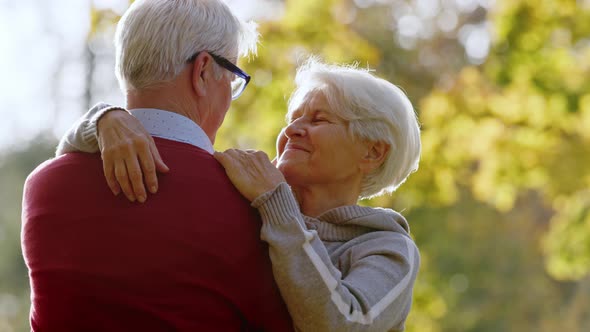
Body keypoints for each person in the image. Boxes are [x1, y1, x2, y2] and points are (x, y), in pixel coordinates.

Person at [61, 59, 422, 331]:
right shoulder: (244, 200)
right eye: (292, 119)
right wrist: (105, 120)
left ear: (373, 153)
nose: (293, 130)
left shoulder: (388, 248)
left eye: (318, 120)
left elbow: (344, 324)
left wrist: (277, 207)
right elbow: (65, 159)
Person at [21, 0, 293, 331]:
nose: (228, 99)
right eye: (232, 78)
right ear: (203, 71)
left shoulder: (42, 188)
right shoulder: (253, 204)